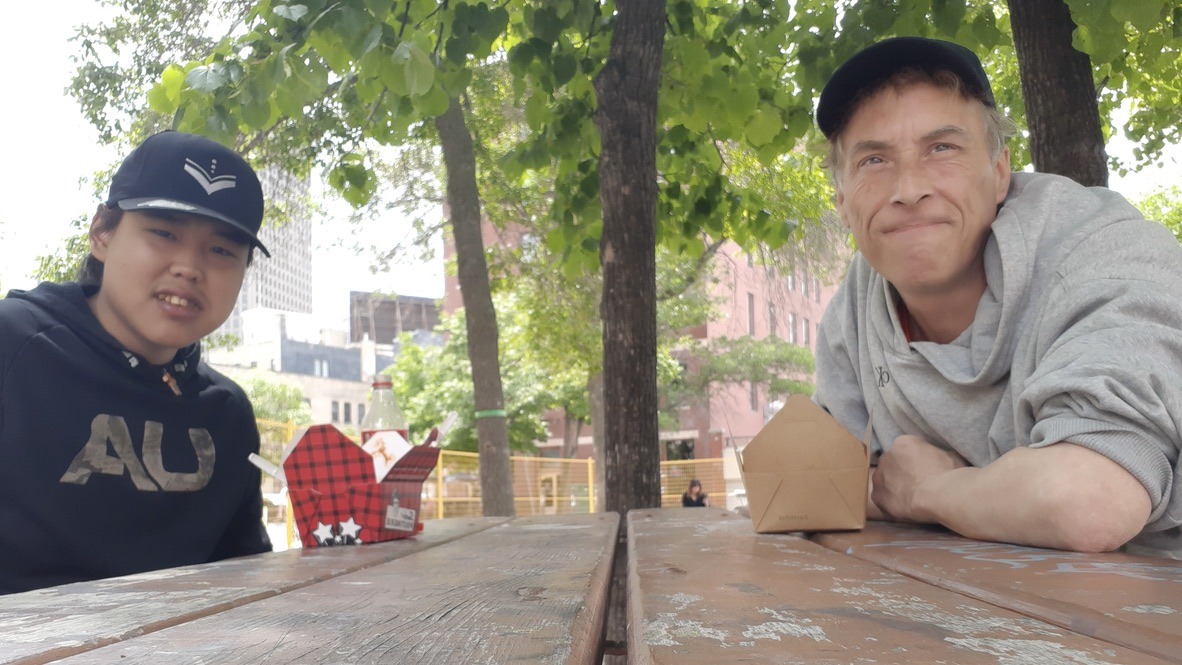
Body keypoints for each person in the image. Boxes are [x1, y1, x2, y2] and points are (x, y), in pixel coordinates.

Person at [813, 37, 1182, 558]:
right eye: (874, 160)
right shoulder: (856, 305)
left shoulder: (1103, 254)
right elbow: (814, 482)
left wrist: (922, 491)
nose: (908, 189)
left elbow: (1092, 499)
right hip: (963, 596)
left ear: (1000, 172)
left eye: (942, 148)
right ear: (842, 201)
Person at [0, 131, 274, 594]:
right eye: (164, 233)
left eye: (222, 250)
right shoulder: (13, 346)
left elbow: (242, 576)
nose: (189, 267)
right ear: (102, 234)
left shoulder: (228, 413)